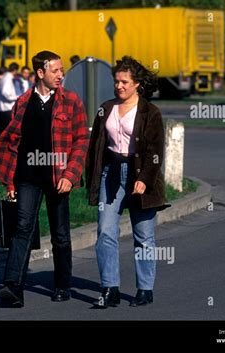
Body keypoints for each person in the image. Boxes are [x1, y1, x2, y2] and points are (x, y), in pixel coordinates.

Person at [0, 50, 89, 307]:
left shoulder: (71, 101)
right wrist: (10, 181)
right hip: (27, 177)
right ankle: (13, 287)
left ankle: (63, 285)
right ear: (40, 73)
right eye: (56, 71)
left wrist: (71, 175)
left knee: (60, 235)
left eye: (62, 70)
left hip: (57, 177)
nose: (61, 75)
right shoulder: (22, 101)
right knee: (22, 229)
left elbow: (81, 139)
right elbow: (14, 143)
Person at [85, 56, 170, 308]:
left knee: (143, 235)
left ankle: (145, 289)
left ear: (137, 84)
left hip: (139, 174)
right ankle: (109, 288)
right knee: (105, 232)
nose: (119, 86)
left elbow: (156, 152)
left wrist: (144, 179)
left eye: (124, 81)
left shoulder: (150, 112)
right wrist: (91, 178)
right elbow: (96, 147)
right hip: (111, 173)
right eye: (116, 81)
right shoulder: (106, 108)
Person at [0, 63, 20, 139]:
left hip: (3, 109)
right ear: (15, 70)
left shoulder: (5, 77)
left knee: (2, 131)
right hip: (6, 109)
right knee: (6, 132)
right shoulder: (8, 78)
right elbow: (5, 92)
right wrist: (15, 98)